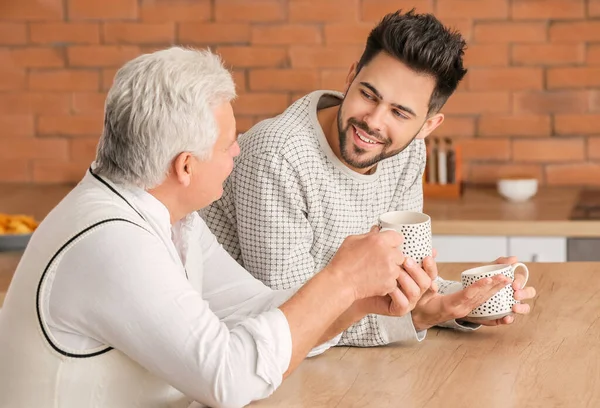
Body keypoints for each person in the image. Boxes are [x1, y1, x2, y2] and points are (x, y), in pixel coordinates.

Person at [0, 46, 493, 408]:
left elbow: (258, 310)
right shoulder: (112, 243)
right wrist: (339, 279)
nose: (239, 151)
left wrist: (354, 302)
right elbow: (229, 378)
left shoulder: (172, 219)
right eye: (229, 144)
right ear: (186, 167)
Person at [202, 9, 536, 347]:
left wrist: (464, 299)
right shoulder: (276, 157)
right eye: (368, 94)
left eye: (400, 112)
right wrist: (419, 317)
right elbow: (291, 324)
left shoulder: (407, 153)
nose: (373, 121)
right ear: (350, 77)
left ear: (427, 127)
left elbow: (396, 285)